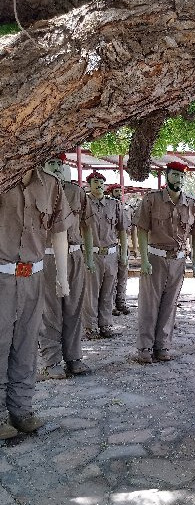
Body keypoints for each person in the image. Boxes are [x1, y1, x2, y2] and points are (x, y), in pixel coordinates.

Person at [0, 162, 72, 439]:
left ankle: (22, 409)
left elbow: (59, 231)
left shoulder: (50, 185)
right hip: (2, 276)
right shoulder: (5, 175)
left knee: (27, 344)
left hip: (33, 275)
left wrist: (62, 277)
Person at [135, 161, 195, 363]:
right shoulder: (152, 200)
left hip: (178, 260)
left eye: (181, 176)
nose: (178, 179)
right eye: (175, 175)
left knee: (170, 304)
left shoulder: (192, 203)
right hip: (155, 258)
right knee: (149, 303)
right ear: (166, 176)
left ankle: (162, 345)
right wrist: (144, 259)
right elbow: (142, 229)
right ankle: (145, 347)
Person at [38, 157, 94, 379]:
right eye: (51, 162)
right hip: (49, 257)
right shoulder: (38, 190)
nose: (57, 167)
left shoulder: (76, 192)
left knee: (74, 307)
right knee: (51, 310)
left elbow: (87, 227)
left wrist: (89, 257)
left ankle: (74, 357)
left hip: (74, 255)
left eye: (60, 164)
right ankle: (52, 361)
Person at [83, 171, 128, 338]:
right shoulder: (84, 203)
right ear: (89, 184)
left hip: (111, 254)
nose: (99, 184)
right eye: (95, 181)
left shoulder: (113, 204)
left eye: (102, 182)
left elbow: (122, 229)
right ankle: (90, 327)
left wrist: (123, 254)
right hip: (92, 252)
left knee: (109, 291)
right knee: (91, 292)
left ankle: (106, 325)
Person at [105, 183, 131, 316]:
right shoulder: (107, 207)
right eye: (116, 191)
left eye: (120, 191)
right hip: (112, 247)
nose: (119, 194)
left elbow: (130, 230)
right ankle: (111, 305)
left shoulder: (126, 208)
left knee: (123, 277)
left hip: (123, 246)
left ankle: (121, 302)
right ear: (110, 193)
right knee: (112, 278)